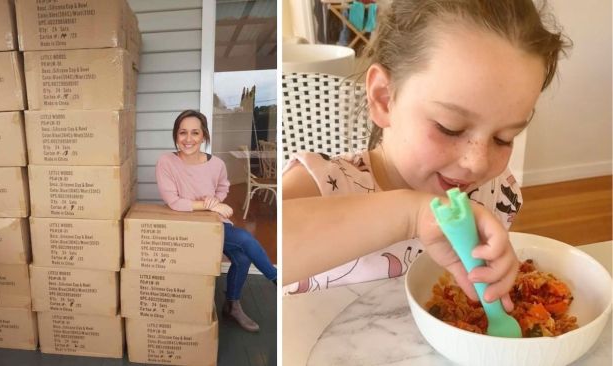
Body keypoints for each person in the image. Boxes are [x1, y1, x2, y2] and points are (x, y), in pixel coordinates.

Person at [283, 0, 569, 310]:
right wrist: (415, 215)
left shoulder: (495, 193)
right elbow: (267, 249)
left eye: (504, 138)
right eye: (450, 128)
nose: (478, 163)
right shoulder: (323, 184)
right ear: (383, 98)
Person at [156, 110, 277, 332]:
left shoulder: (217, 164)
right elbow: (174, 202)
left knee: (241, 257)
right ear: (176, 135)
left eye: (195, 133)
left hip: (212, 224)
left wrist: (216, 200)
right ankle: (276, 279)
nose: (188, 139)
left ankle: (232, 305)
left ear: (204, 136)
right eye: (183, 132)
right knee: (243, 238)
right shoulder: (167, 162)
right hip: (185, 224)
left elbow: (223, 188)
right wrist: (211, 205)